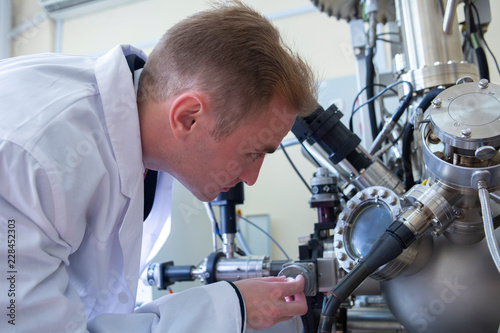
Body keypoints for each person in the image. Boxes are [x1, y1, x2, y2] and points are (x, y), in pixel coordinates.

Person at [0, 1, 317, 332]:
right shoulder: (31, 157)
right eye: (253, 152)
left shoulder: (139, 146)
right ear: (187, 118)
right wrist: (227, 310)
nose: (251, 178)